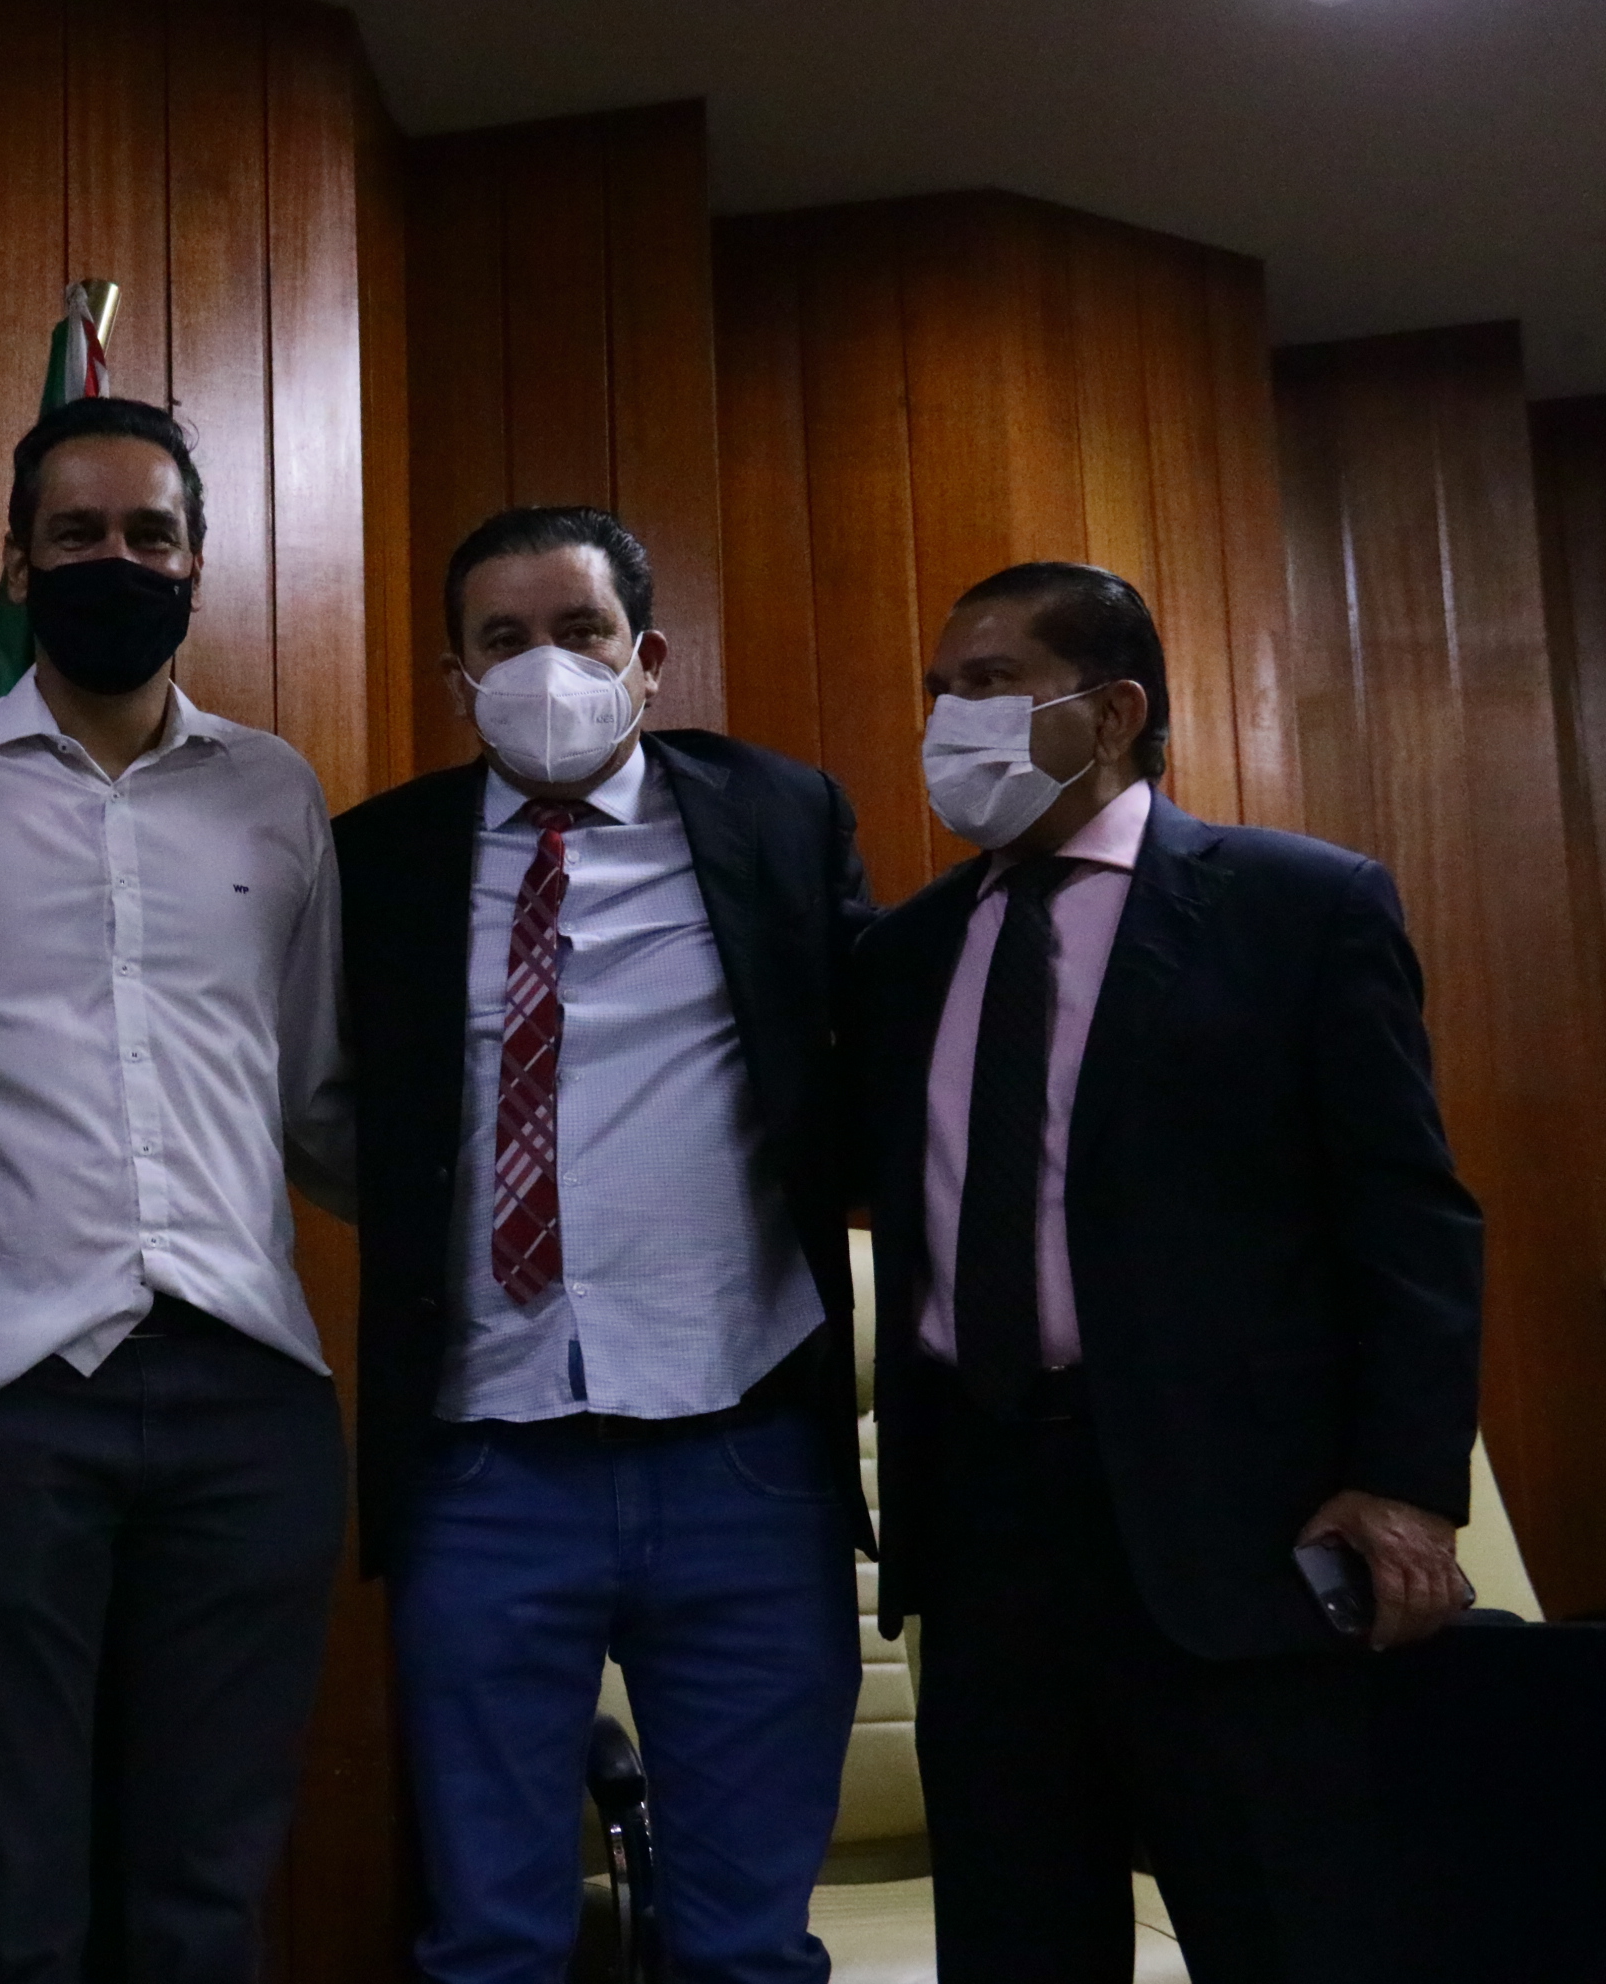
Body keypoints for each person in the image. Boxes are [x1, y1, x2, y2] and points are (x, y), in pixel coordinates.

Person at [856, 562, 1483, 1981]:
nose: (950, 719)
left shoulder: (1295, 906)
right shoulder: (905, 956)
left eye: (992, 683)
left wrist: (1407, 1484)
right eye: (940, 690)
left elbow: (1408, 1215)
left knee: (1286, 1932)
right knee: (1017, 1940)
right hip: (981, 1523)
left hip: (1230, 1529)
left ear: (1115, 710)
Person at [335, 506, 877, 1984]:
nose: (545, 667)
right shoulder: (377, 859)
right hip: (483, 1465)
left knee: (747, 1948)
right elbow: (326, 1111)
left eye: (580, 633)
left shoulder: (779, 815)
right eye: (502, 639)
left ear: (648, 656)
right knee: (490, 1944)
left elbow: (882, 1063)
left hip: (745, 1454)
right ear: (457, 676)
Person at [0, 395, 351, 1984]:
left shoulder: (276, 791)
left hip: (249, 1394)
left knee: (206, 1900)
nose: (116, 561)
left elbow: (317, 1090)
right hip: (2, 1401)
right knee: (9, 1900)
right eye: (77, 534)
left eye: (151, 535)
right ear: (18, 563)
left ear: (197, 563)